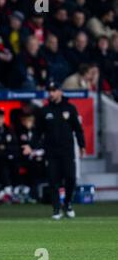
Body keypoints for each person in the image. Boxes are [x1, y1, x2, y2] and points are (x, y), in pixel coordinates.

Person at [36, 82, 86, 219]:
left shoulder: (70, 108)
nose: (51, 93)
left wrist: (82, 145)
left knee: (70, 178)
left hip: (67, 151)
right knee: (53, 181)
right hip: (51, 152)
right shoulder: (44, 111)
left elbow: (78, 129)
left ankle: (68, 203)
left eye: (53, 90)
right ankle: (56, 208)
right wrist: (31, 146)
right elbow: (37, 131)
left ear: (60, 92)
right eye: (49, 90)